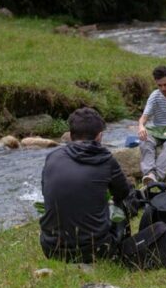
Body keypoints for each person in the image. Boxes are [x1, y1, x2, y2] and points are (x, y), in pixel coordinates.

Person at [40, 108, 131, 263]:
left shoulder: (52, 157)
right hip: (95, 250)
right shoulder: (106, 160)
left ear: (70, 135)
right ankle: (121, 251)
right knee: (124, 203)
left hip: (50, 248)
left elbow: (45, 191)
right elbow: (123, 193)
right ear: (100, 136)